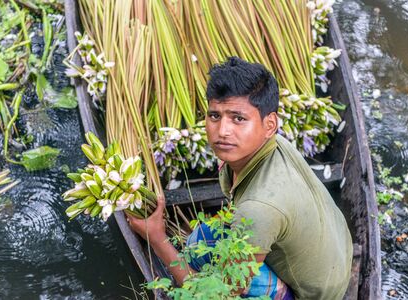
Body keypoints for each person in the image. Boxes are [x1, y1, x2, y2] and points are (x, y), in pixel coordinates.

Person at [128, 57, 353, 299]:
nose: (223, 131)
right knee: (200, 240)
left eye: (238, 118)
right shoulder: (272, 145)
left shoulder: (258, 208)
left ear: (270, 124)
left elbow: (218, 296)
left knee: (202, 269)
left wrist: (158, 239)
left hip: (314, 295)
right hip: (335, 261)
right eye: (215, 116)